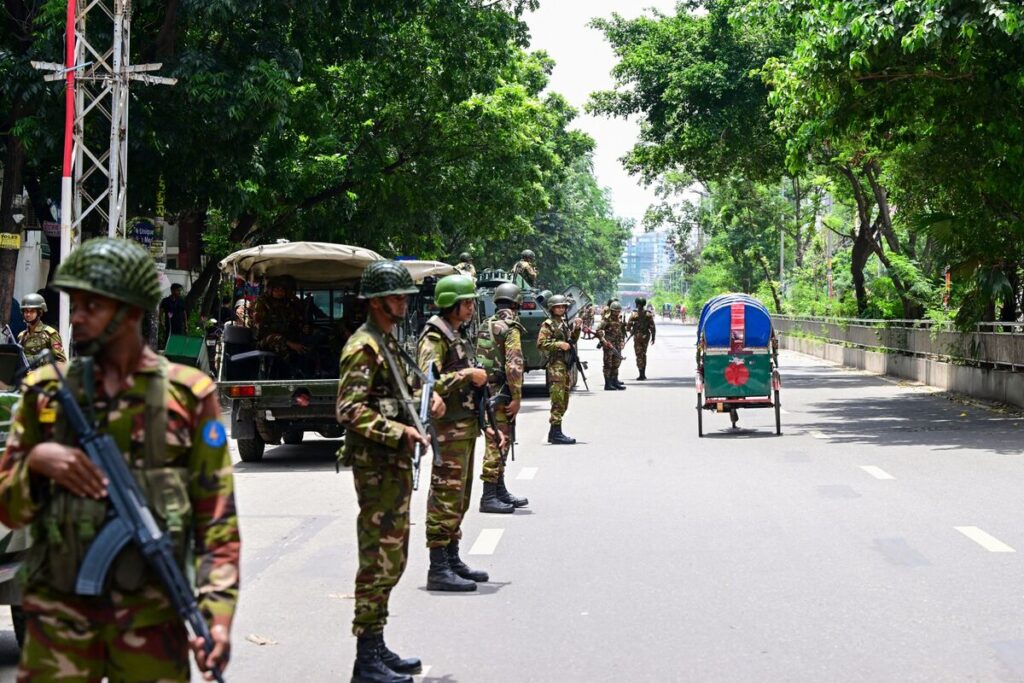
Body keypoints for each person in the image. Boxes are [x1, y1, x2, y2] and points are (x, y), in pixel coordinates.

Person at [0, 237, 238, 681]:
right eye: (78, 304)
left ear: (130, 311)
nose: (80, 318)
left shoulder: (187, 396)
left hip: (152, 624)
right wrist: (36, 460)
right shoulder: (46, 393)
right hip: (59, 627)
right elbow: (9, 508)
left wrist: (216, 618)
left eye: (94, 306)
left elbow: (217, 524)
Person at [337, 260, 444, 683]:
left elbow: (396, 393)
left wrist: (425, 401)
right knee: (378, 559)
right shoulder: (363, 346)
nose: (404, 303)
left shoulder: (387, 342)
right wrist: (397, 430)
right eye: (398, 297)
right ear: (378, 302)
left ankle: (376, 644)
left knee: (393, 557)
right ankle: (366, 658)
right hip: (376, 468)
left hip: (392, 466)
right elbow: (348, 409)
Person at [417, 274, 503, 592]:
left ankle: (452, 559)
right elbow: (428, 384)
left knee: (460, 497)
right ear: (452, 304)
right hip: (448, 430)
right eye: (466, 302)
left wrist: (490, 428)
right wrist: (468, 374)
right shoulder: (434, 338)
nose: (470, 307)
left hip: (464, 427)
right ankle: (438, 567)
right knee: (445, 497)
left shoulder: (457, 333)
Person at [475, 282, 527, 514]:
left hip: (487, 390)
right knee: (498, 441)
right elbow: (514, 365)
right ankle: (489, 496)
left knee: (500, 439)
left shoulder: (486, 323)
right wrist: (516, 397)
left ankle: (499, 490)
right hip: (502, 392)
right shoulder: (510, 327)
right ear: (516, 303)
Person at [537, 294, 581, 444]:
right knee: (558, 399)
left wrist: (577, 328)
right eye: (558, 307)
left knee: (564, 398)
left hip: (564, 365)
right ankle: (556, 433)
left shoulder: (563, 323)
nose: (561, 309)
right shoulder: (548, 324)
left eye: (563, 307)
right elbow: (541, 343)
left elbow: (571, 341)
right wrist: (558, 344)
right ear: (552, 308)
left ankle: (553, 432)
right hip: (556, 366)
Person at [252, 275, 309, 373]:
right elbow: (261, 329)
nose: (280, 292)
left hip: (286, 337)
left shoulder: (287, 304)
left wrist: (303, 327)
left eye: (283, 290)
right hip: (266, 339)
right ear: (271, 290)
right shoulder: (262, 304)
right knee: (280, 345)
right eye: (277, 289)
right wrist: (290, 343)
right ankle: (287, 373)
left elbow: (296, 320)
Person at [16, 293, 66, 362]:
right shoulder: (21, 336)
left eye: (32, 311)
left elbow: (61, 361)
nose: (28, 314)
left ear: (39, 312)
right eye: (26, 311)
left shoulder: (50, 334)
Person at [597, 300, 628, 391]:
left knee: (616, 363)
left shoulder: (619, 319)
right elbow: (598, 330)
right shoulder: (607, 319)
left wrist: (622, 341)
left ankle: (614, 382)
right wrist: (603, 340)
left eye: (618, 311)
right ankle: (608, 384)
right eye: (615, 311)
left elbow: (620, 332)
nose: (617, 313)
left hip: (617, 345)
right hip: (609, 345)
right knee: (608, 364)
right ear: (611, 310)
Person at [627, 296, 657, 380]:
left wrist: (632, 331)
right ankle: (643, 373)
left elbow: (628, 327)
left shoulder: (634, 314)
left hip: (637, 337)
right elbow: (652, 327)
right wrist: (653, 337)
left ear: (637, 304)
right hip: (646, 336)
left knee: (639, 355)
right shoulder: (648, 314)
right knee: (643, 354)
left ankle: (641, 374)